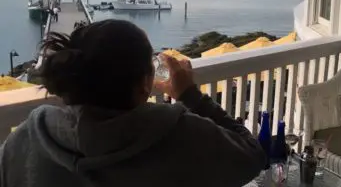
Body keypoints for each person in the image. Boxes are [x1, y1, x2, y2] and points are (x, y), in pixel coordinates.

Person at [0, 20, 265, 187]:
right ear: (143, 85)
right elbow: (252, 156)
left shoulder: (26, 139)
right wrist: (189, 94)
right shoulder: (181, 135)